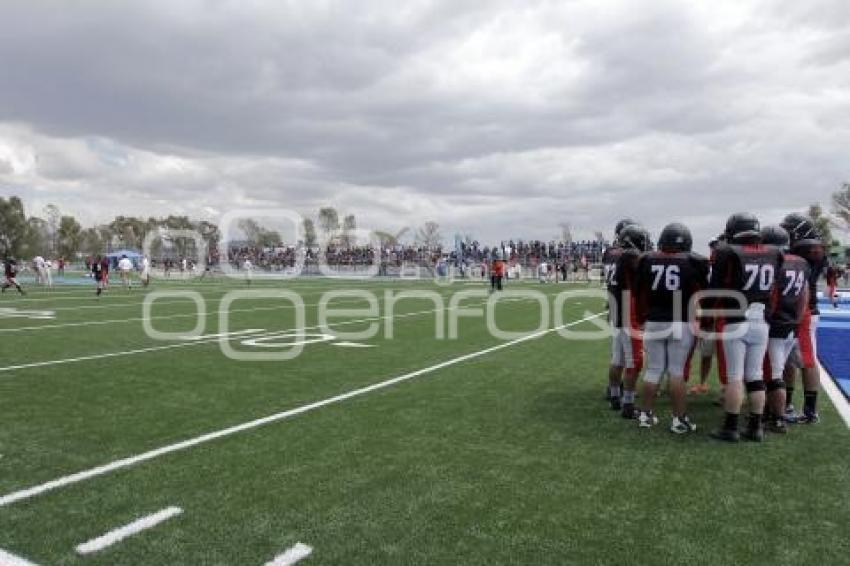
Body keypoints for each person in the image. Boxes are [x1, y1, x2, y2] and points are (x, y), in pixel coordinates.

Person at [709, 213, 783, 442]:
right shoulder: (775, 253)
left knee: (734, 377)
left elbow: (715, 290)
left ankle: (731, 427)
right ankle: (756, 426)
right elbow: (774, 291)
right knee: (756, 375)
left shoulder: (727, 252)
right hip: (761, 319)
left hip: (735, 318)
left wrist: (707, 317)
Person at [635, 223, 708, 433]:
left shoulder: (647, 260)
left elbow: (638, 293)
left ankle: (645, 415)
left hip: (655, 319)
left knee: (653, 369)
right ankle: (678, 420)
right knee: (676, 372)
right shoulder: (694, 262)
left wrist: (642, 317)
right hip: (680, 321)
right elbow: (702, 293)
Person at [760, 225, 810, 434]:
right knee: (774, 370)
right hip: (790, 322)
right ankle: (770, 412)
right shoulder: (801, 262)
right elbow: (805, 293)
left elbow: (770, 292)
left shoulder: (774, 261)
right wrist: (798, 318)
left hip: (775, 323)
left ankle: (777, 418)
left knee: (773, 374)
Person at [780, 213, 827, 424]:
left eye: (790, 231)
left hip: (804, 311)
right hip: (793, 310)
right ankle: (787, 403)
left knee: (807, 360)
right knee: (789, 361)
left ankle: (810, 410)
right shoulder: (806, 249)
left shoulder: (810, 249)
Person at [611, 223, 652, 419]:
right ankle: (628, 404)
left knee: (617, 359)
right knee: (635, 362)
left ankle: (614, 396)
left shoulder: (614, 254)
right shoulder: (630, 255)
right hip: (629, 312)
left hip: (618, 311)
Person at [602, 218, 636, 405]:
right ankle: (628, 398)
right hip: (629, 309)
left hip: (614, 305)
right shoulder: (629, 255)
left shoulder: (608, 253)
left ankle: (613, 390)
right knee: (632, 358)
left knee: (617, 355)